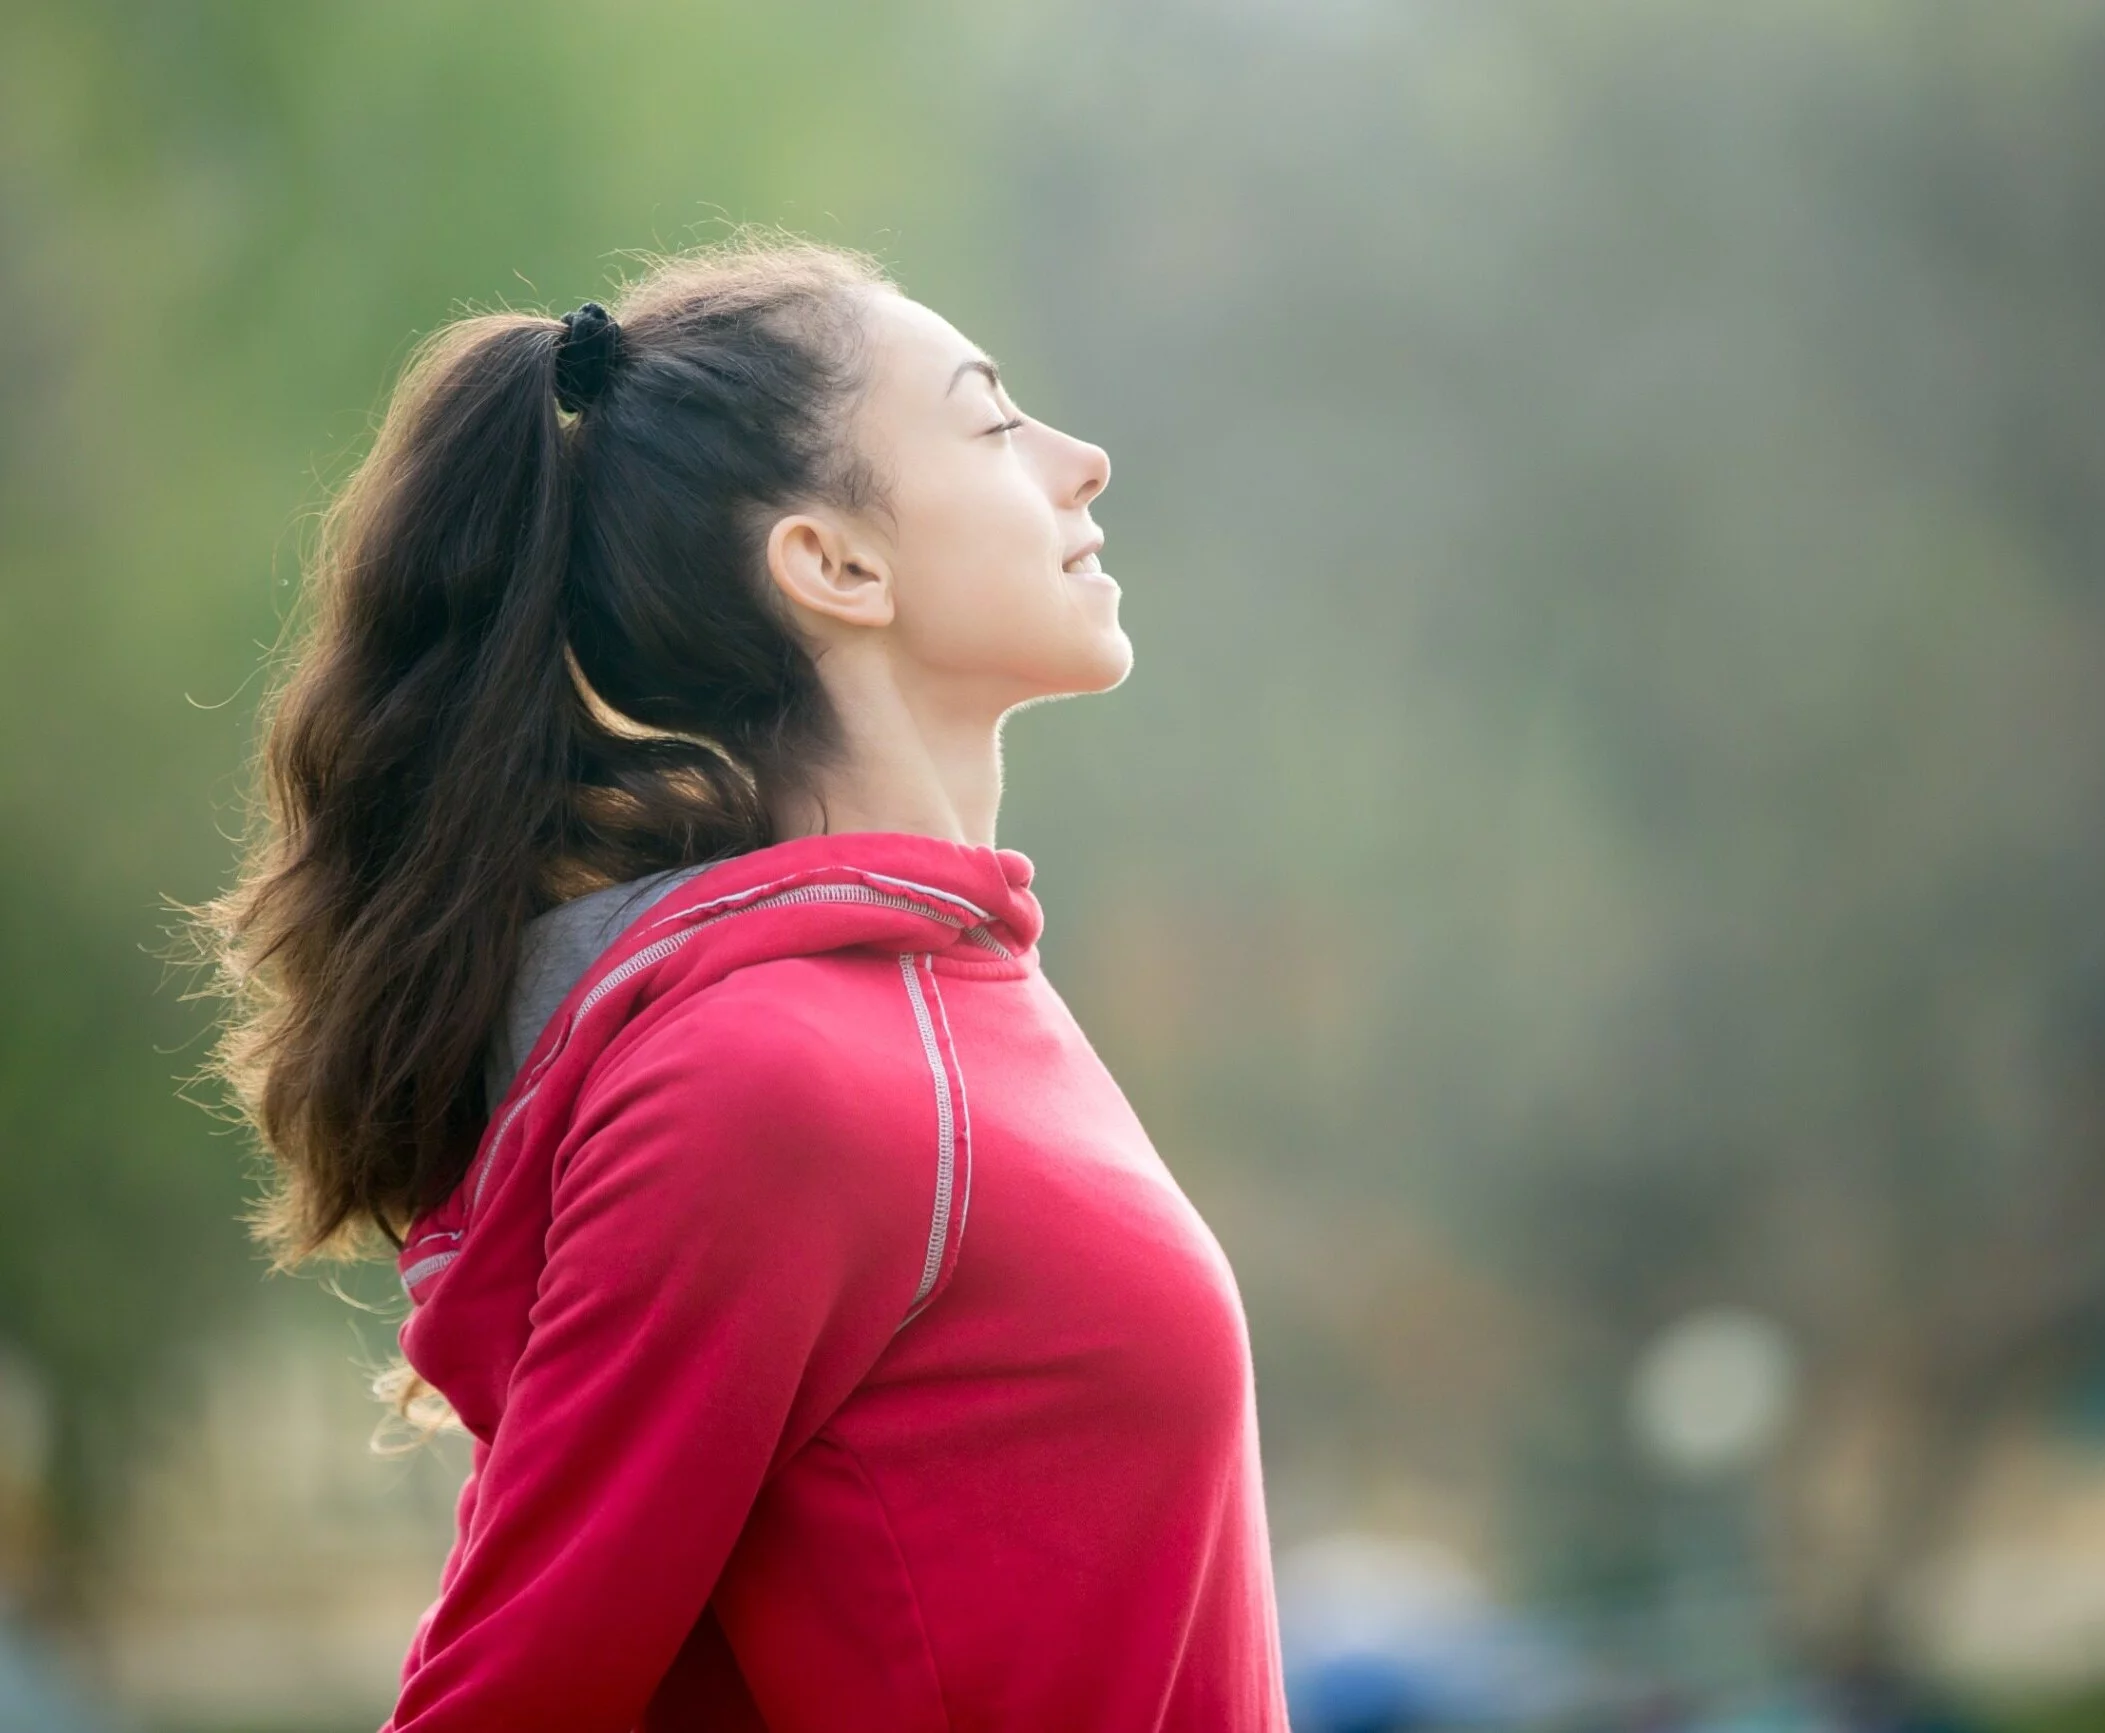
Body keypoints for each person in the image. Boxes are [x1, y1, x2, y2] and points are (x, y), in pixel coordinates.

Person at [194, 234, 1292, 1730]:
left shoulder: (945, 997)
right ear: (833, 563)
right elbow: (505, 1693)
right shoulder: (771, 1076)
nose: (1081, 460)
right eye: (989, 419)